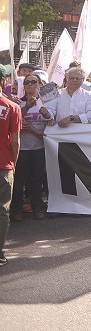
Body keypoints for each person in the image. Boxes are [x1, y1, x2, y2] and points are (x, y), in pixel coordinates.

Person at [12, 72, 52, 221]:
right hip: (21, 148)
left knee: (36, 179)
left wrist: (47, 116)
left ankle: (36, 208)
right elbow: (15, 121)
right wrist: (26, 107)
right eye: (27, 82)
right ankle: (17, 210)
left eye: (33, 82)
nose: (30, 85)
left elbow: (52, 122)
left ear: (40, 84)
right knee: (18, 180)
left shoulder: (45, 102)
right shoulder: (18, 102)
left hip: (39, 148)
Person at [0, 89, 22, 266]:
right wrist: (13, 164)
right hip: (3, 164)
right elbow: (15, 141)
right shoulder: (12, 107)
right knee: (2, 210)